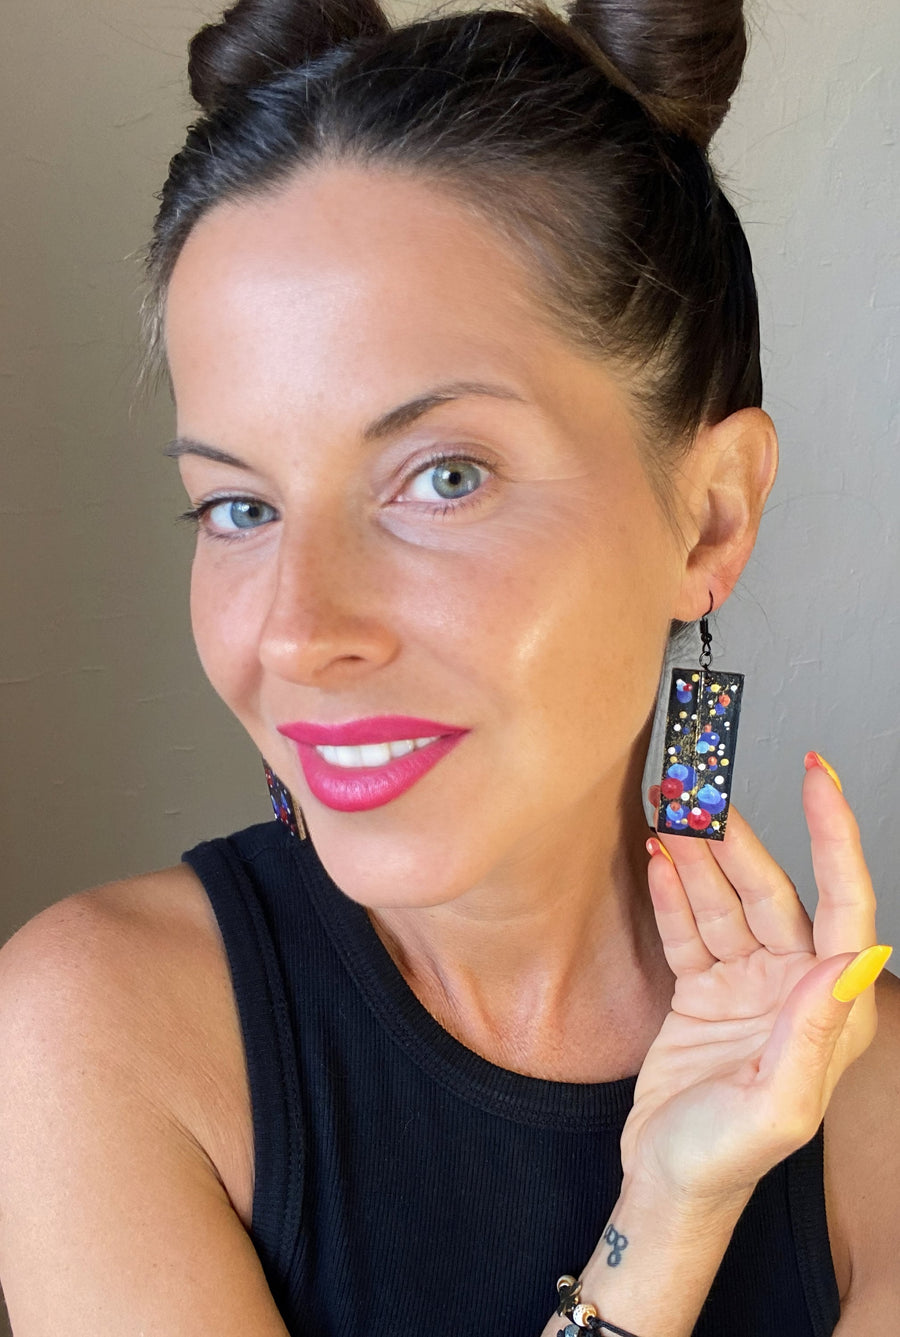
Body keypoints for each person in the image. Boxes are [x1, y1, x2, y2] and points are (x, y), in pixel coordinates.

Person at [0, 0, 897, 1332]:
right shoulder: (95, 1033)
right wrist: (665, 1219)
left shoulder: (868, 1094)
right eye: (238, 505)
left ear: (707, 514)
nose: (299, 629)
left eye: (444, 476)